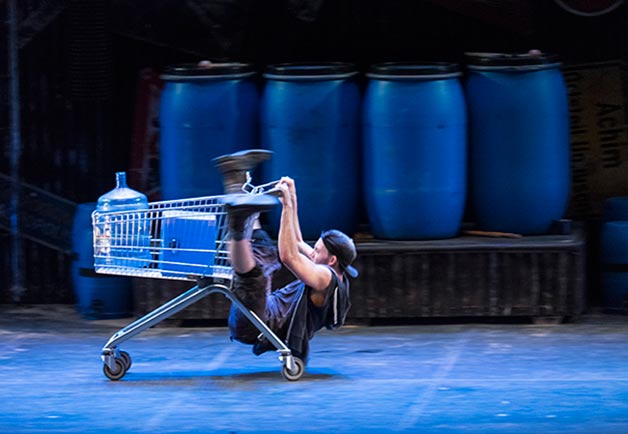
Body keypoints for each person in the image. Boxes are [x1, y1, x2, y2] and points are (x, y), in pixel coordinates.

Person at [214, 150, 356, 362]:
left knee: (255, 280)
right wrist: (291, 199)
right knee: (262, 244)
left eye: (317, 250)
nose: (312, 251)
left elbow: (289, 256)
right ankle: (237, 188)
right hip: (262, 311)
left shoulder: (325, 278)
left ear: (332, 259)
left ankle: (238, 226)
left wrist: (287, 206)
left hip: (259, 324)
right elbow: (297, 242)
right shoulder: (331, 268)